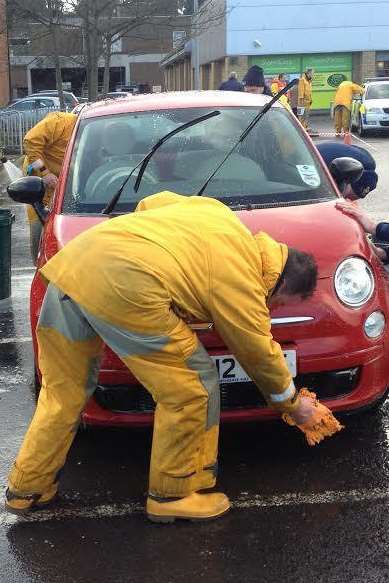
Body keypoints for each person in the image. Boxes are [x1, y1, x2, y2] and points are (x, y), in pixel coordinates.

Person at [6, 191, 325, 523]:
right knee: (192, 388)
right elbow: (258, 352)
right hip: (125, 284)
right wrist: (292, 405)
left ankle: (28, 488)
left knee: (62, 392)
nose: (275, 309)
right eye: (282, 302)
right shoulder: (242, 277)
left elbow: (151, 203)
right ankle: (172, 495)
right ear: (282, 281)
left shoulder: (219, 215)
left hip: (75, 266)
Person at [23, 111, 78, 264]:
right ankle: (39, 264)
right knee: (38, 222)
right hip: (41, 175)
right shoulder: (60, 122)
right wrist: (45, 173)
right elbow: (30, 141)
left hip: (61, 180)